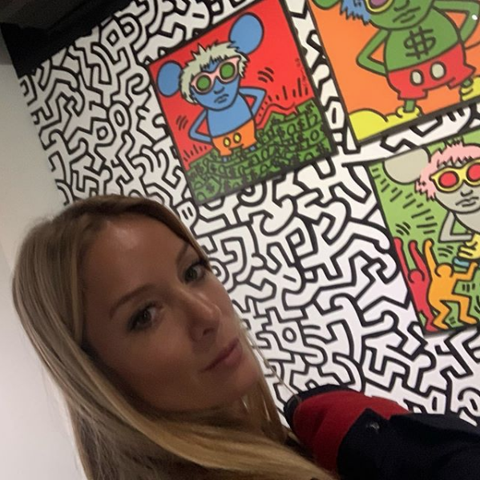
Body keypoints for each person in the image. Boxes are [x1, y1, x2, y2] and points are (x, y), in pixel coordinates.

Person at [12, 194, 480, 480]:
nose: (207, 314)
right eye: (145, 315)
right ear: (94, 373)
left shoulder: (274, 444)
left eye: (193, 271)